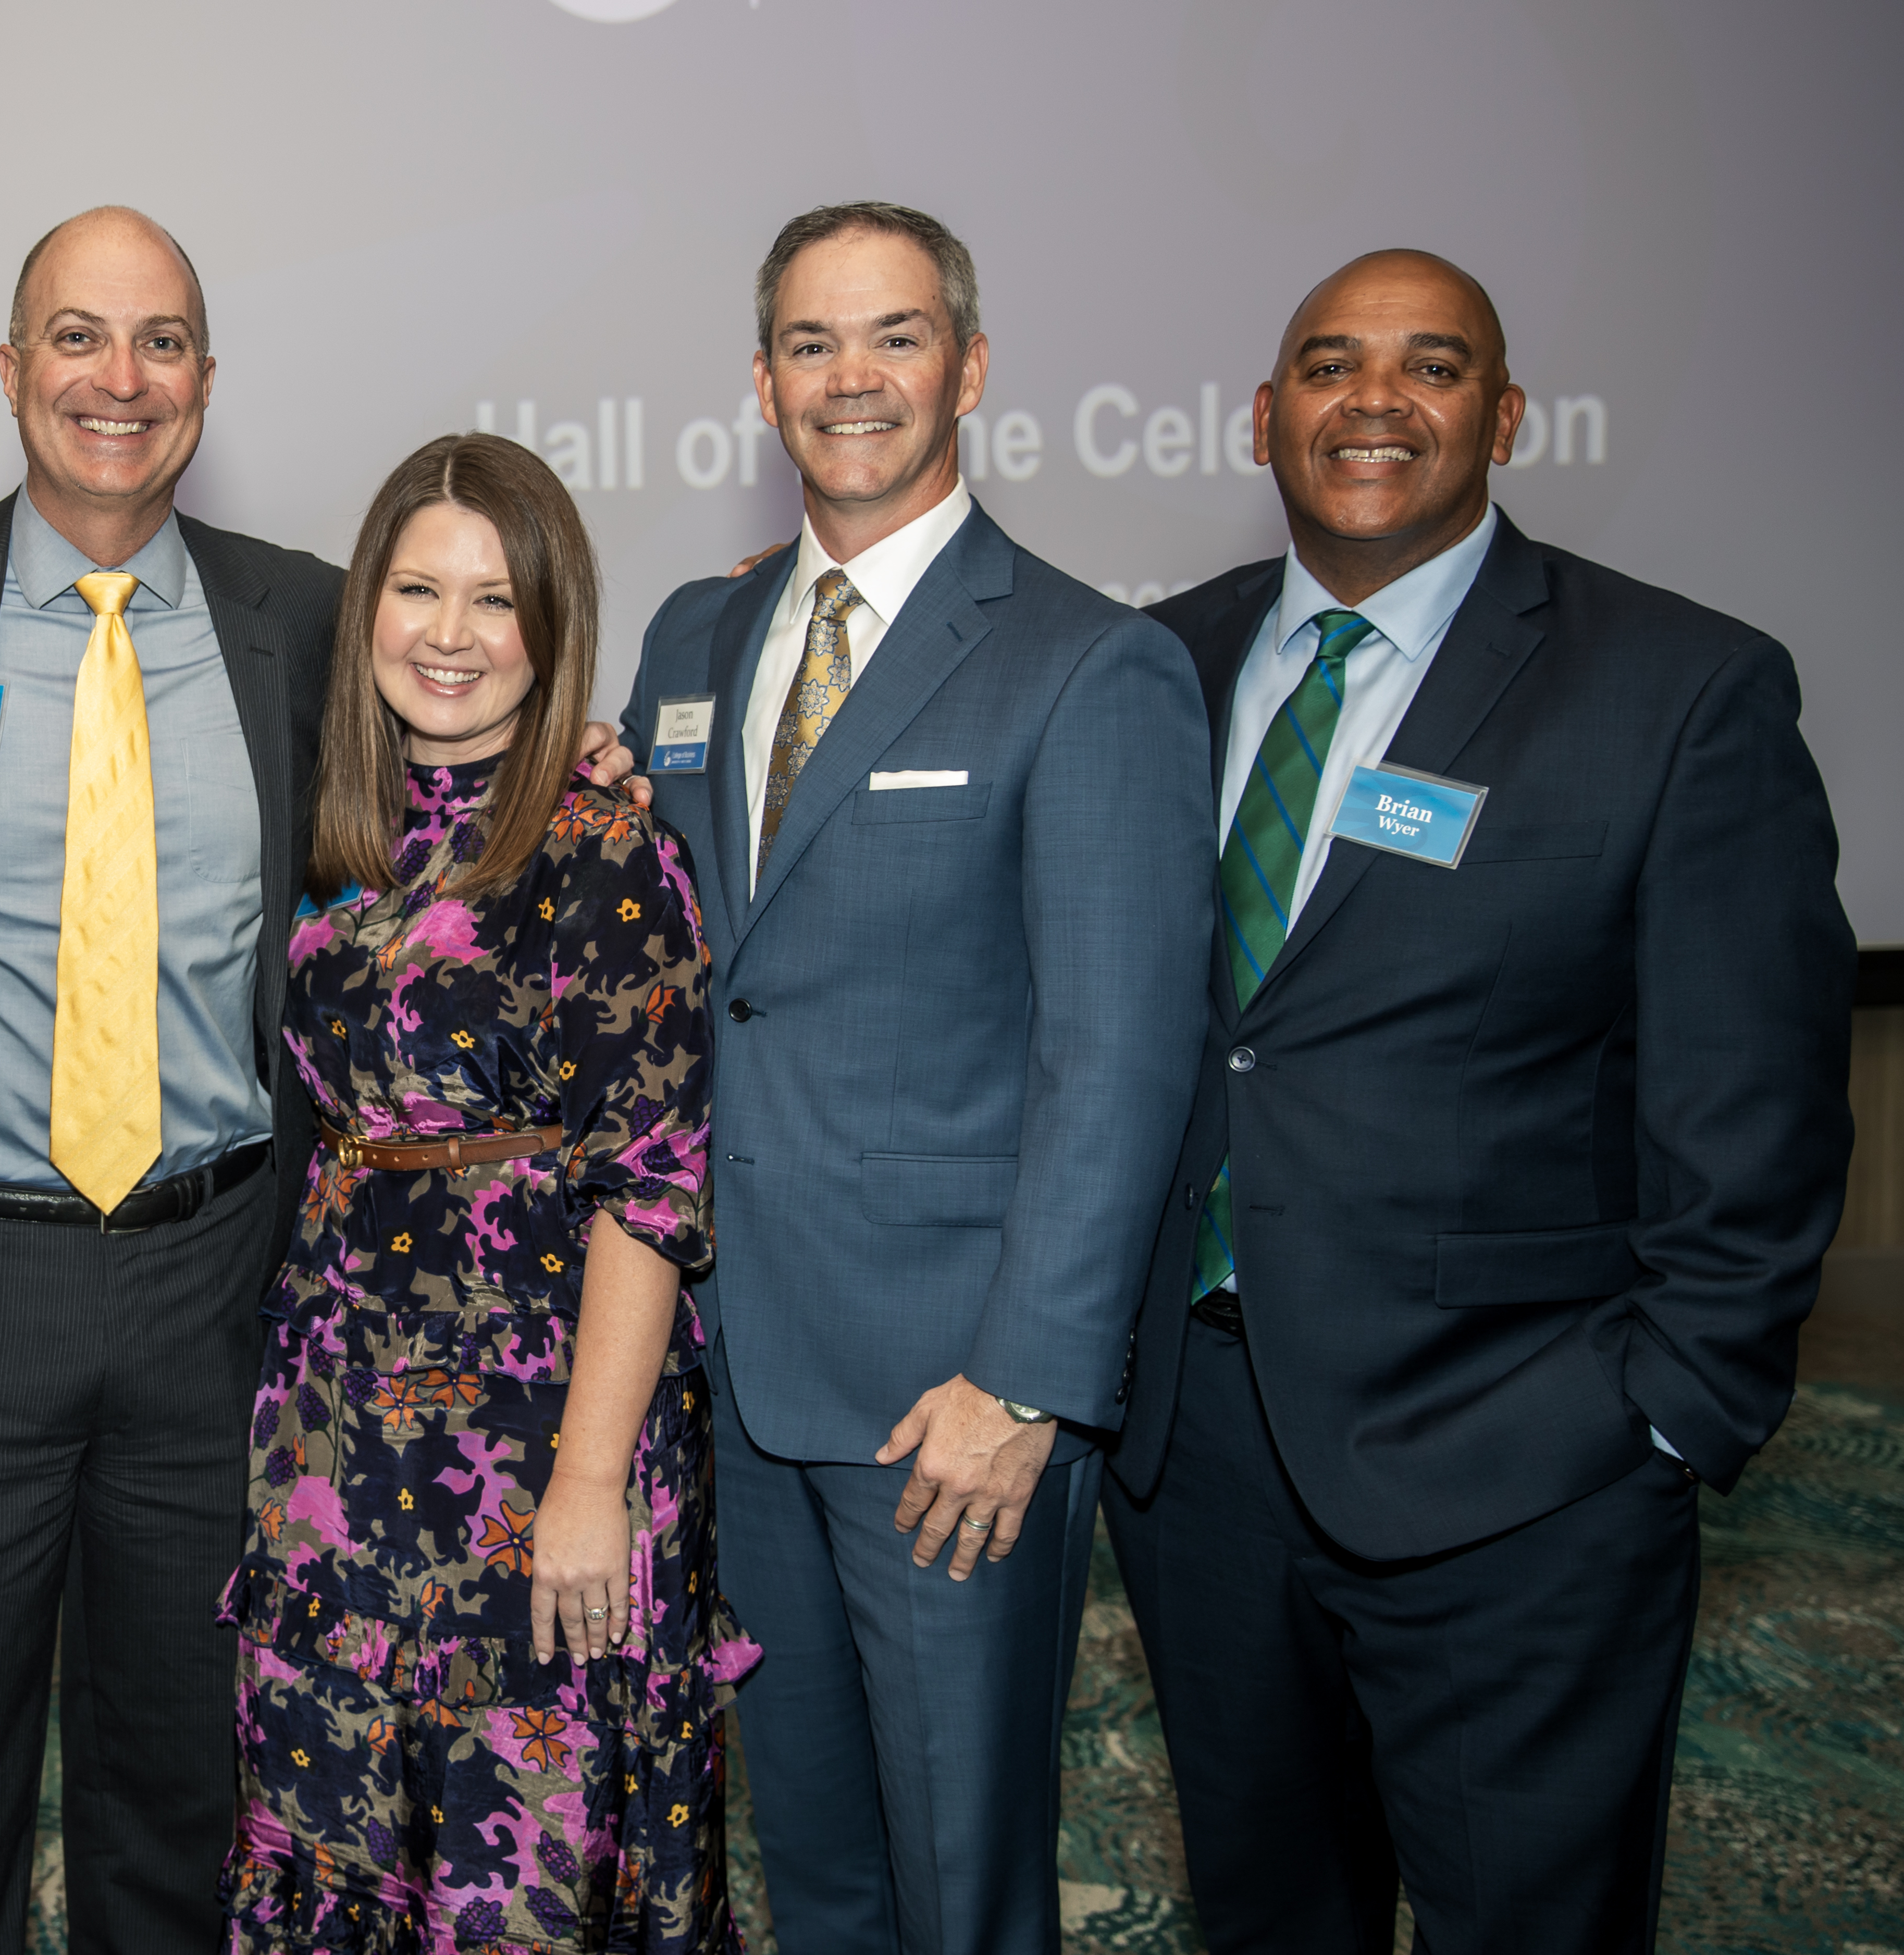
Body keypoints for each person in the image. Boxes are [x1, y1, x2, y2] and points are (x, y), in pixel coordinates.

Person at [0, 207, 639, 1954]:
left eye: (159, 342)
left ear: (206, 383)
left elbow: (448, 804)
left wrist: (582, 764)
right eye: (75, 338)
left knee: (184, 1789)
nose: (118, 379)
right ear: (11, 372)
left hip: (217, 1287)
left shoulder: (303, 617)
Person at [1100, 250, 1853, 1954]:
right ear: (1261, 416)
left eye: (1429, 368)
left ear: (1503, 416)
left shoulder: (1677, 691)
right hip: (1200, 1457)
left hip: (1520, 1462)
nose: (1372, 400)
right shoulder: (1154, 665)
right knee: (1266, 1916)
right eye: (1327, 364)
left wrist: (1664, 1411)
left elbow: (1759, 1110)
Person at [617, 203, 1213, 1955]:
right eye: (811, 344)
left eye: (891, 337)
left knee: (963, 1883)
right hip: (729, 1382)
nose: (850, 378)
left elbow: (1115, 1059)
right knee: (817, 1868)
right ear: (759, 382)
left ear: (967, 366)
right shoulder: (690, 644)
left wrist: (1025, 1385)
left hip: (944, 1411)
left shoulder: (1087, 662)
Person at [224, 431, 759, 1948]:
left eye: (493, 601)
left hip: (541, 1439)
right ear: (365, 608)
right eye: (414, 590)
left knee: (520, 1863)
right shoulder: (336, 831)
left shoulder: (602, 845)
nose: (448, 636)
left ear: (550, 629)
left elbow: (650, 1185)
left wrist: (587, 1487)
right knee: (337, 1833)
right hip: (337, 1427)